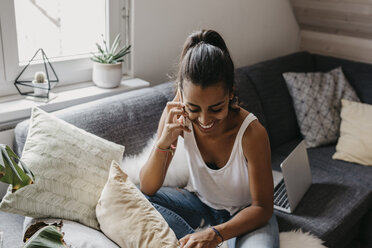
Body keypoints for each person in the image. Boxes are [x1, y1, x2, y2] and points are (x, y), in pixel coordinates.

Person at [139, 29, 279, 248]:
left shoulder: (252, 133)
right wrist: (164, 142)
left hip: (247, 215)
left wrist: (215, 235)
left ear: (231, 93)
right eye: (194, 108)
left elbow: (263, 208)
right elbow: (148, 187)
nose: (204, 120)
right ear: (181, 96)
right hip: (199, 204)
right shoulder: (175, 117)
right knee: (137, 198)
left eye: (216, 108)